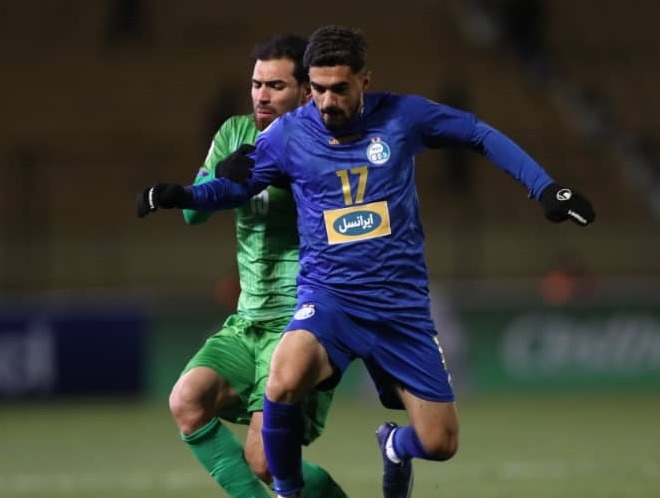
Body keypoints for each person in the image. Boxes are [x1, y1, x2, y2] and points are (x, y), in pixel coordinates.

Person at [137, 25, 596, 498]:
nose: (327, 102)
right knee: (284, 377)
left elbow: (477, 133)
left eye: (339, 89)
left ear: (364, 80)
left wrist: (545, 187)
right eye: (318, 90)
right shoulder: (291, 134)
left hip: (400, 308)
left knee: (440, 442)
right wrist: (184, 195)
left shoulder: (402, 117)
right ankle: (289, 494)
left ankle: (396, 447)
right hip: (329, 300)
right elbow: (236, 188)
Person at [156, 33, 347, 498]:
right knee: (187, 400)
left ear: (306, 92)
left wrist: (267, 172)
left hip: (299, 322)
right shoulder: (234, 133)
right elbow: (194, 215)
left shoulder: (326, 143)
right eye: (257, 84)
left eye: (276, 86)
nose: (262, 95)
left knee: (265, 461)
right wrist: (220, 173)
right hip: (248, 320)